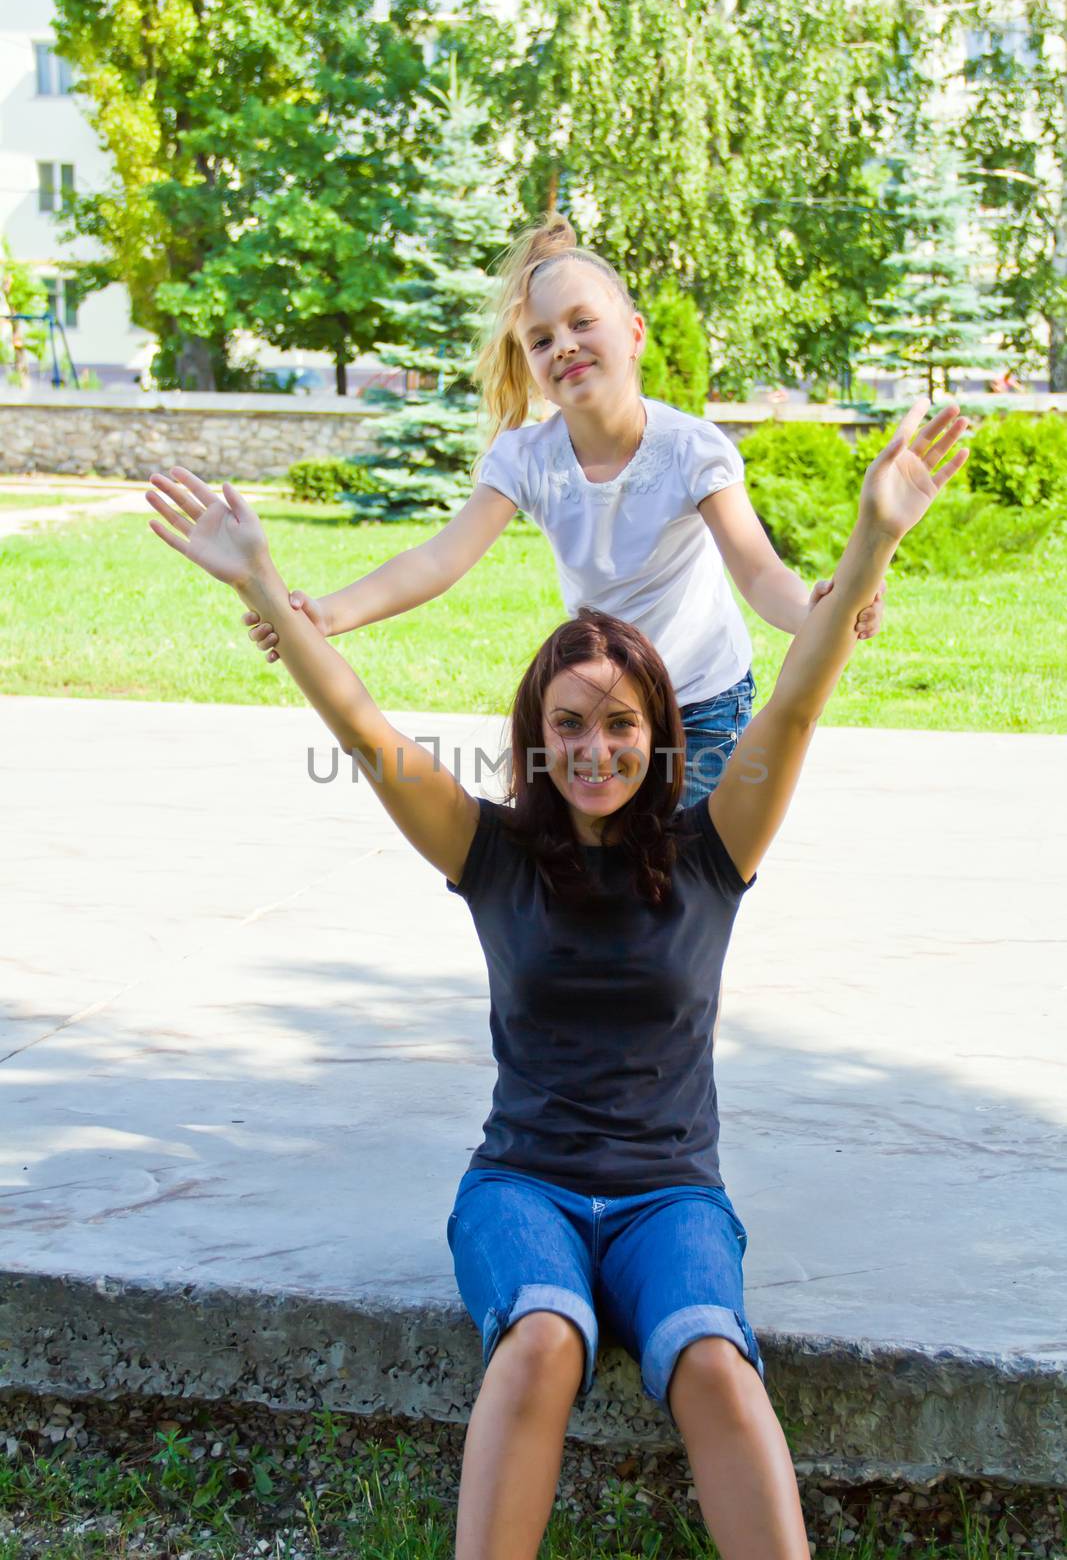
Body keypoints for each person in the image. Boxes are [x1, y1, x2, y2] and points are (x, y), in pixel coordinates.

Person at [145, 396, 969, 1560]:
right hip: (522, 1186)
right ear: (534, 735)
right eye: (567, 724)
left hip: (670, 1196)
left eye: (619, 724)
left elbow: (795, 694)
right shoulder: (489, 852)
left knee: (716, 1365)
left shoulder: (710, 849)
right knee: (542, 1337)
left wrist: (873, 535)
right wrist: (259, 583)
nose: (592, 750)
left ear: (657, 733)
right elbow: (360, 720)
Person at [227, 210, 885, 806]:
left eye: (580, 322)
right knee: (590, 873)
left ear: (633, 335)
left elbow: (759, 573)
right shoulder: (526, 459)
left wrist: (815, 612)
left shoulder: (691, 449)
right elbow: (437, 560)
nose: (561, 345)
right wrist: (329, 614)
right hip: (598, 707)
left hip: (700, 703)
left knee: (681, 878)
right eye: (539, 340)